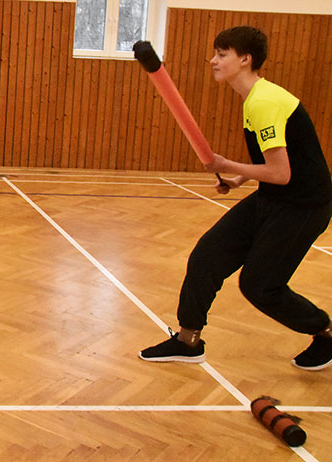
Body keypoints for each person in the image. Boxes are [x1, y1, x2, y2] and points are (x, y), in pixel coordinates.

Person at [139, 26, 332, 371]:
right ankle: (188, 340)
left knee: (260, 285)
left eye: (222, 54)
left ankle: (326, 331)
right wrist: (241, 176)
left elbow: (282, 172)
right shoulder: (254, 98)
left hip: (304, 206)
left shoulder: (263, 101)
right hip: (274, 197)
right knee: (207, 255)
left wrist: (224, 162)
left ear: (245, 59)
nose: (213, 61)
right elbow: (276, 160)